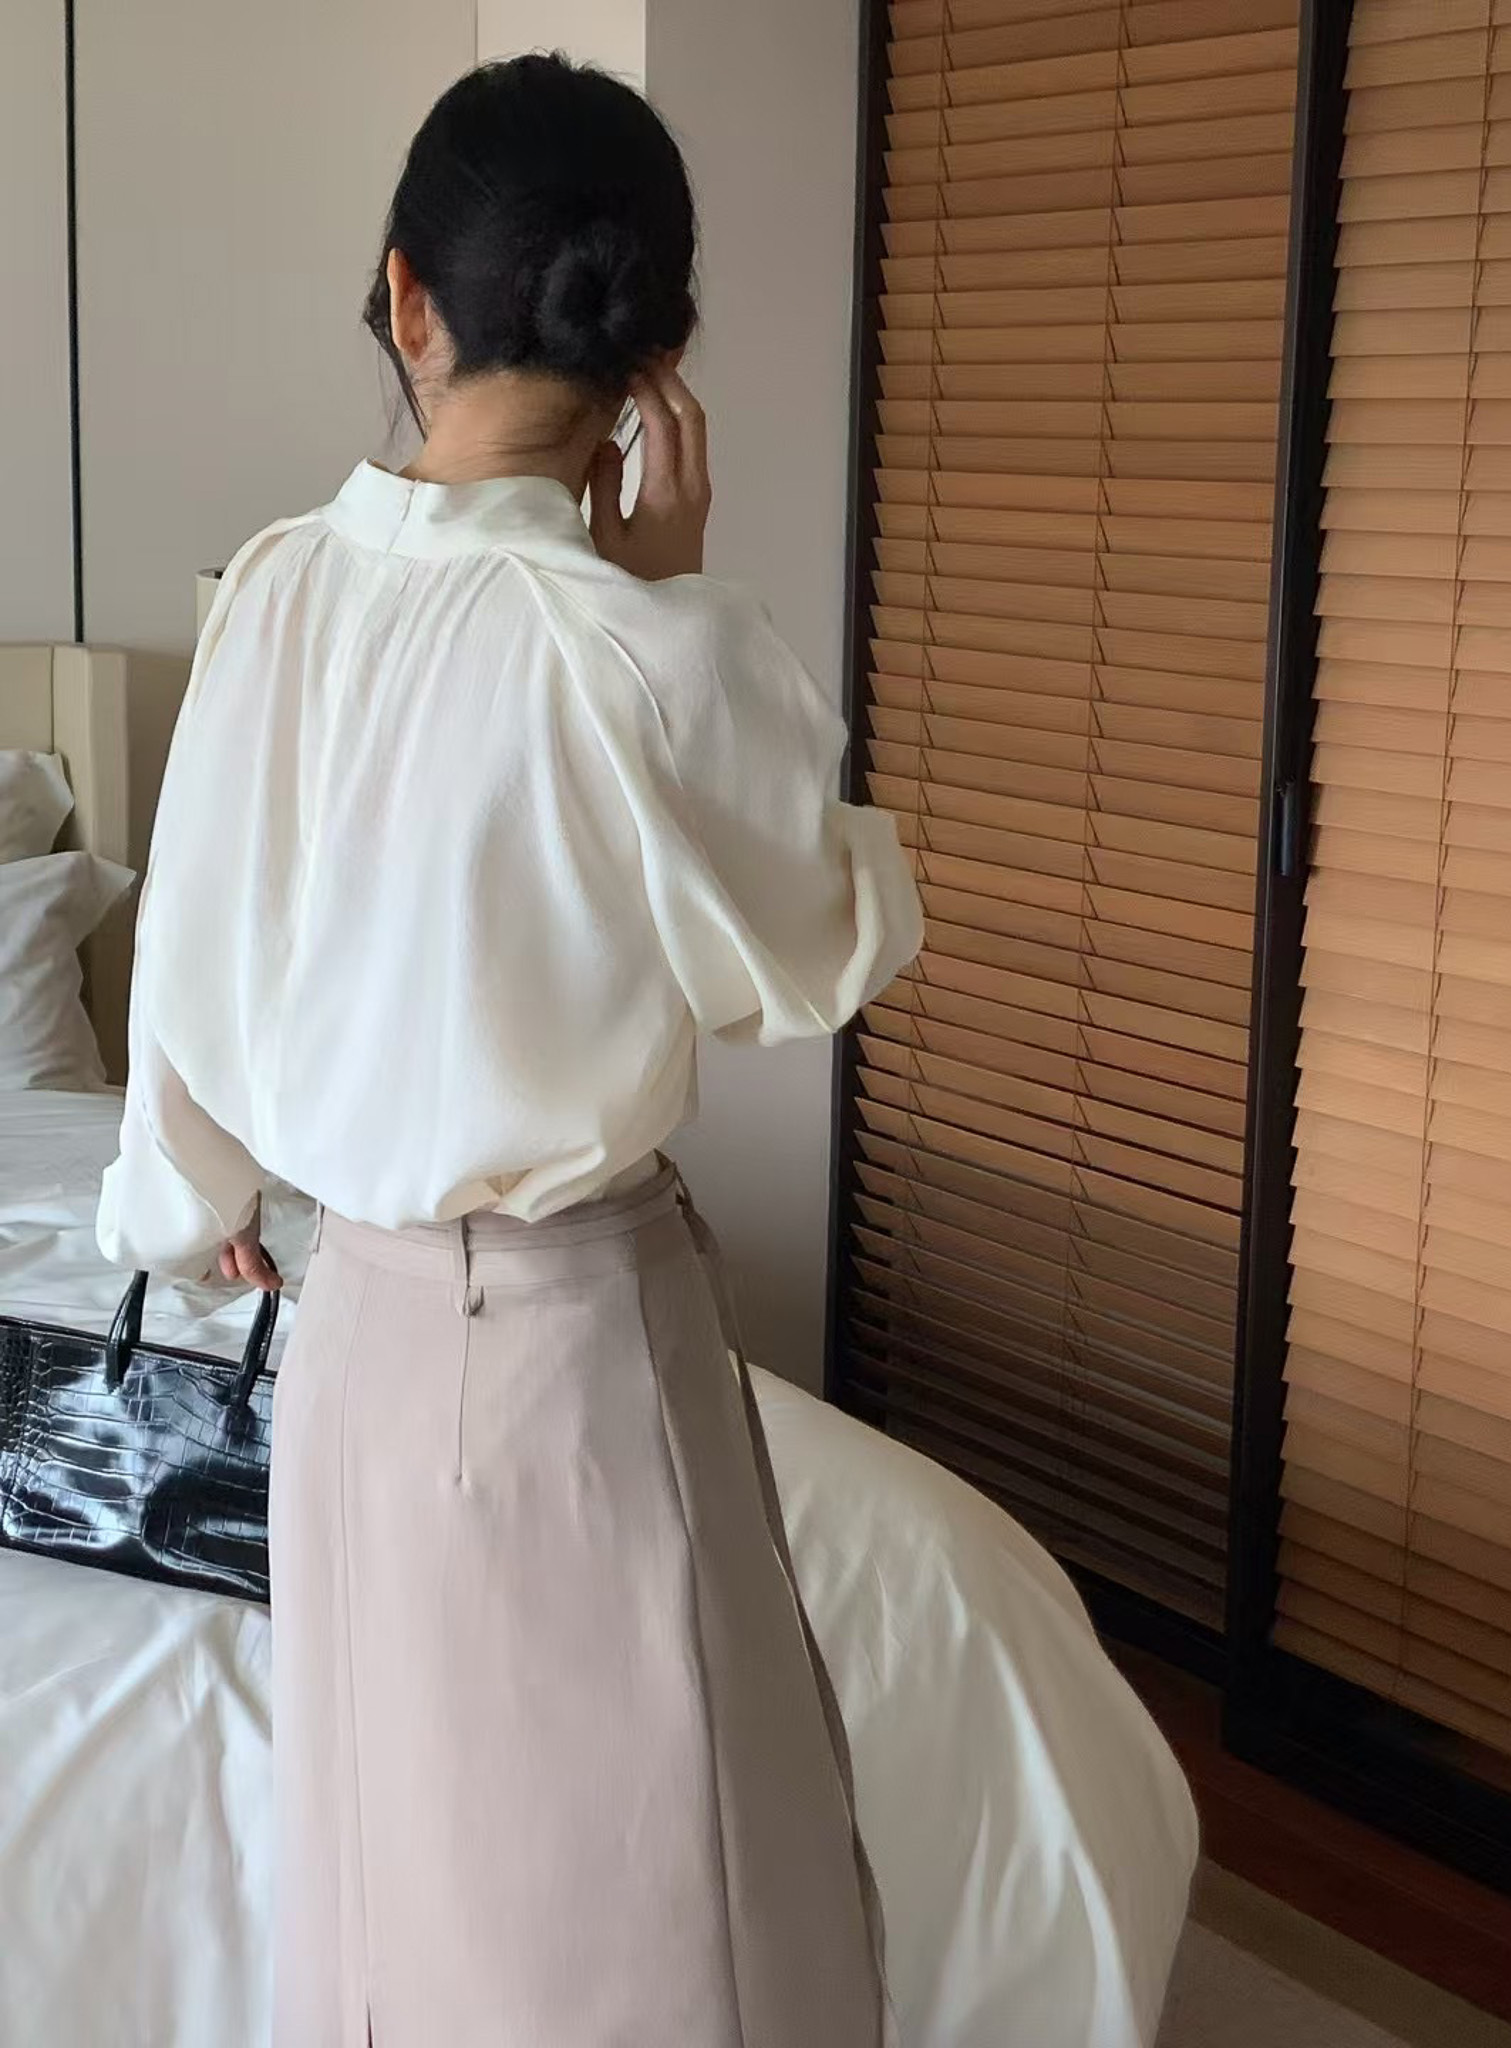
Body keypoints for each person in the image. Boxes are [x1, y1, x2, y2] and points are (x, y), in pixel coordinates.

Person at [97, 52, 921, 2048]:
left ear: (408, 298)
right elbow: (822, 951)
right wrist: (684, 605)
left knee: (397, 1903)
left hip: (352, 1351)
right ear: (659, 353)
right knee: (666, 1916)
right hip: (567, 1351)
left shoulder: (272, 592)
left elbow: (191, 966)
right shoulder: (645, 649)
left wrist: (190, 1205)